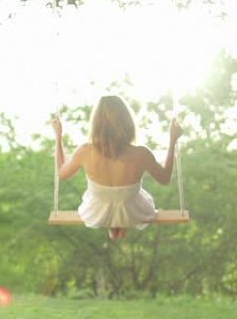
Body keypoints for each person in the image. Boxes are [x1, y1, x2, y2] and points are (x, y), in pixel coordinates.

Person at [52, 95, 183, 240]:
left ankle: (114, 223)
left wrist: (58, 137)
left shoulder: (85, 151)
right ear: (127, 122)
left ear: (96, 123)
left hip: (97, 213)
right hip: (133, 213)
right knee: (122, 198)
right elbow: (165, 179)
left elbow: (62, 173)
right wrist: (172, 141)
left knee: (108, 197)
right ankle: (119, 222)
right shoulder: (141, 153)